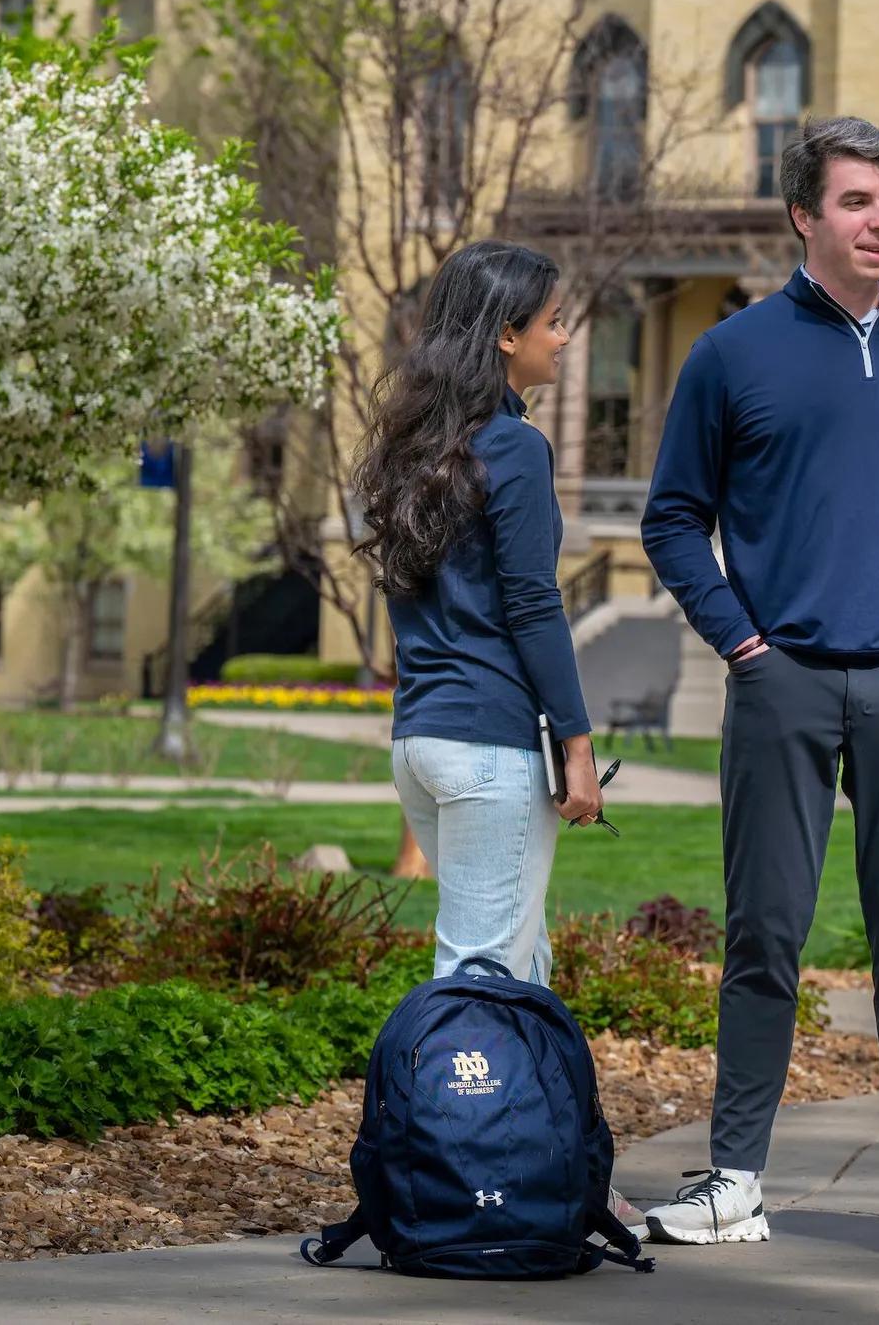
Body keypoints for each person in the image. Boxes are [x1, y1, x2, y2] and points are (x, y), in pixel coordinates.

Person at [639, 116, 879, 1253]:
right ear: (803, 215)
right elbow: (672, 518)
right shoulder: (732, 354)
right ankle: (731, 1178)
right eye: (856, 201)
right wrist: (740, 644)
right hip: (782, 682)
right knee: (764, 932)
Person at [350, 240, 641, 1235]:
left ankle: (556, 1167)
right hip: (484, 746)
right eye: (553, 321)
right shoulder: (512, 447)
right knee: (477, 989)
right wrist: (574, 739)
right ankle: (456, 1194)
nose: (567, 336)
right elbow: (529, 604)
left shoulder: (413, 443)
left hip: (421, 746)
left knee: (523, 967)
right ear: (507, 334)